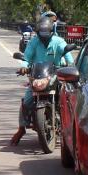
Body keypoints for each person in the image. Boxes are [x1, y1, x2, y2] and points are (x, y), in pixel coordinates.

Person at [11, 15, 75, 145]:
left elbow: (68, 57)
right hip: (38, 76)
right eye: (42, 32)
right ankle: (21, 128)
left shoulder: (59, 41)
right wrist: (23, 68)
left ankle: (72, 129)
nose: (44, 35)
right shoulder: (34, 42)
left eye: (47, 32)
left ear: (52, 31)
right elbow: (26, 59)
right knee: (27, 100)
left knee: (68, 98)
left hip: (55, 76)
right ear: (38, 32)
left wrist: (70, 65)